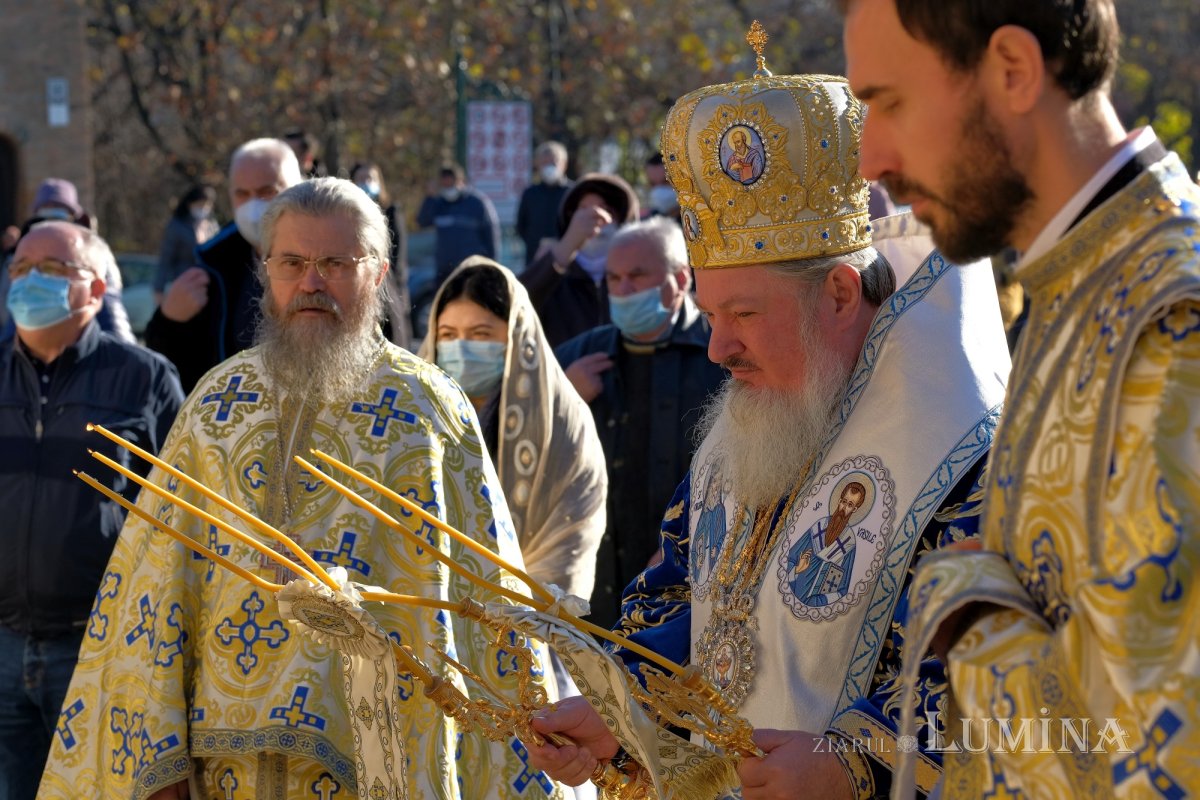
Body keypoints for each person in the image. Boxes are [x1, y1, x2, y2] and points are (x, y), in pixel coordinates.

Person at [523, 65, 1011, 799]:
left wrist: (856, 767)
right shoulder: (750, 424)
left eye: (745, 316)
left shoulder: (966, 451)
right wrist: (621, 708)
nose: (719, 350)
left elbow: (1001, 677)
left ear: (841, 293)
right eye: (712, 315)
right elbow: (692, 607)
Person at [37, 178, 564, 800]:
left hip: (371, 762)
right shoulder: (216, 404)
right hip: (220, 769)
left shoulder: (429, 411)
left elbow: (483, 596)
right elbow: (150, 593)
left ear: (378, 274)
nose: (312, 283)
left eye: (337, 263)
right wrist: (157, 755)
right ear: (267, 273)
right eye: (292, 263)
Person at [841, 0, 1200, 796]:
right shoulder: (1081, 280)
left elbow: (1162, 759)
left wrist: (961, 600)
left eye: (888, 103)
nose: (870, 157)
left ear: (1011, 69)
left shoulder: (1172, 320)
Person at [0, 221, 183, 800]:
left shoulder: (144, 378)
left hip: (97, 650)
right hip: (2, 646)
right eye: (21, 268)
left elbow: (182, 514)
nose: (30, 280)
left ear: (98, 290)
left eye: (52, 270)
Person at [555, 217, 724, 629]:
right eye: (614, 278)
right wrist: (564, 398)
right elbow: (518, 437)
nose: (624, 290)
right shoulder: (579, 356)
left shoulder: (722, 352)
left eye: (637, 276)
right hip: (595, 587)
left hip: (694, 587)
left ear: (681, 279)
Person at [420, 257, 606, 604]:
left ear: (515, 336)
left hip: (527, 627)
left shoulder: (560, 421)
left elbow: (570, 536)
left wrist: (502, 609)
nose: (461, 348)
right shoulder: (416, 419)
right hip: (430, 617)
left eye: (480, 334)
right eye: (448, 335)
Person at [144, 138, 303, 392]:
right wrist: (169, 322)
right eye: (243, 194)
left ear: (298, 187)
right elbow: (170, 372)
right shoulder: (215, 266)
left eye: (267, 192)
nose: (254, 205)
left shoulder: (338, 256)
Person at [1, 178, 134, 343]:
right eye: (45, 220)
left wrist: (119, 351)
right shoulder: (22, 250)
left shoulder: (94, 252)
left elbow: (110, 303)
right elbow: (8, 305)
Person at [520, 174, 640, 347]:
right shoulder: (553, 276)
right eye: (583, 209)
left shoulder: (638, 276)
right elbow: (509, 309)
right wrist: (562, 252)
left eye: (605, 209)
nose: (594, 218)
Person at [351, 161, 412, 348]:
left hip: (388, 286)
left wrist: (398, 288)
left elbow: (398, 254)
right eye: (362, 179)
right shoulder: (347, 215)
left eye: (371, 178)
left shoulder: (392, 212)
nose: (367, 182)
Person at [416, 163, 501, 283]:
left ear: (461, 181)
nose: (448, 188)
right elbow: (422, 222)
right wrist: (429, 197)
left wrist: (491, 267)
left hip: (472, 271)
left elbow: (491, 237)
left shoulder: (477, 204)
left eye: (451, 183)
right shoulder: (438, 204)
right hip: (445, 272)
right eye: (444, 184)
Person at [153, 184, 218, 304]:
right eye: (199, 204)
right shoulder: (177, 226)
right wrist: (159, 288)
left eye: (206, 205)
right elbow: (166, 259)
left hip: (208, 286)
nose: (203, 208)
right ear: (190, 204)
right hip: (183, 284)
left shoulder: (212, 226)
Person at [517, 141, 573, 265]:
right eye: (544, 163)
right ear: (537, 165)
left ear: (564, 164)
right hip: (535, 261)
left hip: (567, 262)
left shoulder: (572, 192)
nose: (549, 167)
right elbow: (521, 226)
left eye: (553, 163)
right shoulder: (530, 194)